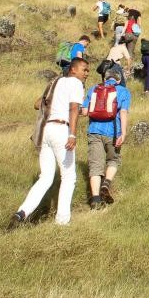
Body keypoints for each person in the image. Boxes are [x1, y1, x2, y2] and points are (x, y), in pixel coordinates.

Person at [9, 58, 90, 228]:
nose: (86, 73)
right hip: (62, 130)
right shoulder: (75, 83)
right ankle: (62, 222)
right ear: (73, 70)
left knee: (45, 177)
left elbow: (37, 104)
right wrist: (73, 135)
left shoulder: (55, 82)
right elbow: (74, 108)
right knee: (68, 177)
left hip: (46, 131)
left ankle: (22, 212)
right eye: (84, 69)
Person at [82, 68, 131, 209]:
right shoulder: (123, 91)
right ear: (119, 79)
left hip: (94, 131)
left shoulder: (93, 89)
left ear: (105, 78)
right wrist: (123, 132)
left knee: (95, 165)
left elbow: (85, 112)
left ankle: (96, 199)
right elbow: (123, 112)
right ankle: (106, 184)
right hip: (114, 132)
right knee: (113, 160)